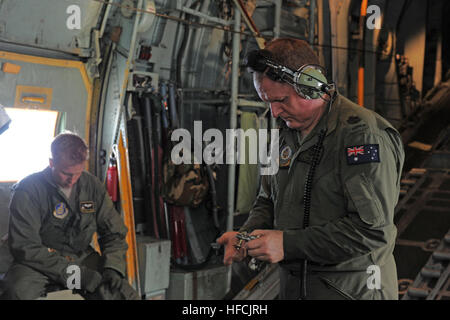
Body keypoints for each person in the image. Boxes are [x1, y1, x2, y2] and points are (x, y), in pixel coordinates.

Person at [218, 38, 405, 300]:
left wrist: (286, 244)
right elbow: (267, 199)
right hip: (298, 290)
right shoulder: (286, 133)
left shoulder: (361, 136)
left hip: (352, 292)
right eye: (267, 101)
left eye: (281, 100)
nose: (273, 112)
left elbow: (372, 231)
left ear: (311, 86)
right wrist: (245, 238)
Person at [1, 132, 140, 300]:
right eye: (66, 173)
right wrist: (78, 276)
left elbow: (114, 233)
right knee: (16, 291)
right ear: (52, 163)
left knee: (122, 293)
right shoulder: (28, 190)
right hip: (37, 262)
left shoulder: (92, 186)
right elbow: (26, 247)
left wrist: (113, 267)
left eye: (78, 173)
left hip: (79, 256)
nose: (72, 180)